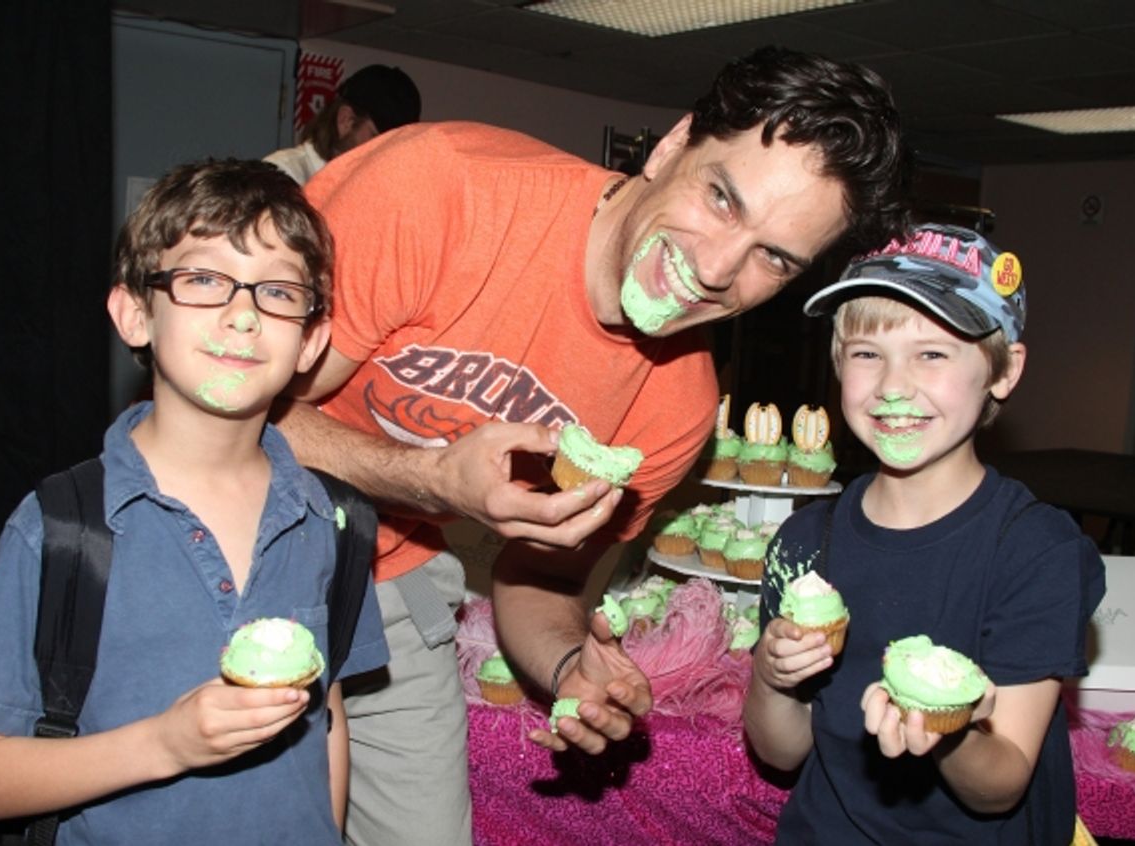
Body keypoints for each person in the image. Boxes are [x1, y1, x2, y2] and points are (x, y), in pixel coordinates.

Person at [276, 46, 910, 846]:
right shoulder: (441, 189)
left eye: (772, 258)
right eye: (722, 199)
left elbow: (542, 572)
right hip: (227, 539)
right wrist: (432, 479)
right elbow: (235, 416)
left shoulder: (675, 408)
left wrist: (571, 664)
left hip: (387, 580)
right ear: (673, 146)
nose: (715, 270)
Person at [0, 159, 390, 843]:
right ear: (135, 314)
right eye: (203, 279)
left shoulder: (334, 521)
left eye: (277, 292)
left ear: (311, 341)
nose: (242, 315)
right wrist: (166, 745)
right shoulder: (60, 529)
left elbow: (326, 714)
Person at [743, 222, 1107, 845]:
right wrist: (774, 676)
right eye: (866, 354)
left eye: (932, 353)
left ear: (1003, 370)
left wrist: (946, 730)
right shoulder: (805, 541)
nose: (892, 387)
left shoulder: (1035, 552)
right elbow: (780, 752)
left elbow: (1002, 785)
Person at [265, 63, 421, 184]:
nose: (386, 155)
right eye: (377, 139)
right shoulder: (285, 175)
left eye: (394, 145)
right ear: (345, 120)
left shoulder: (368, 188)